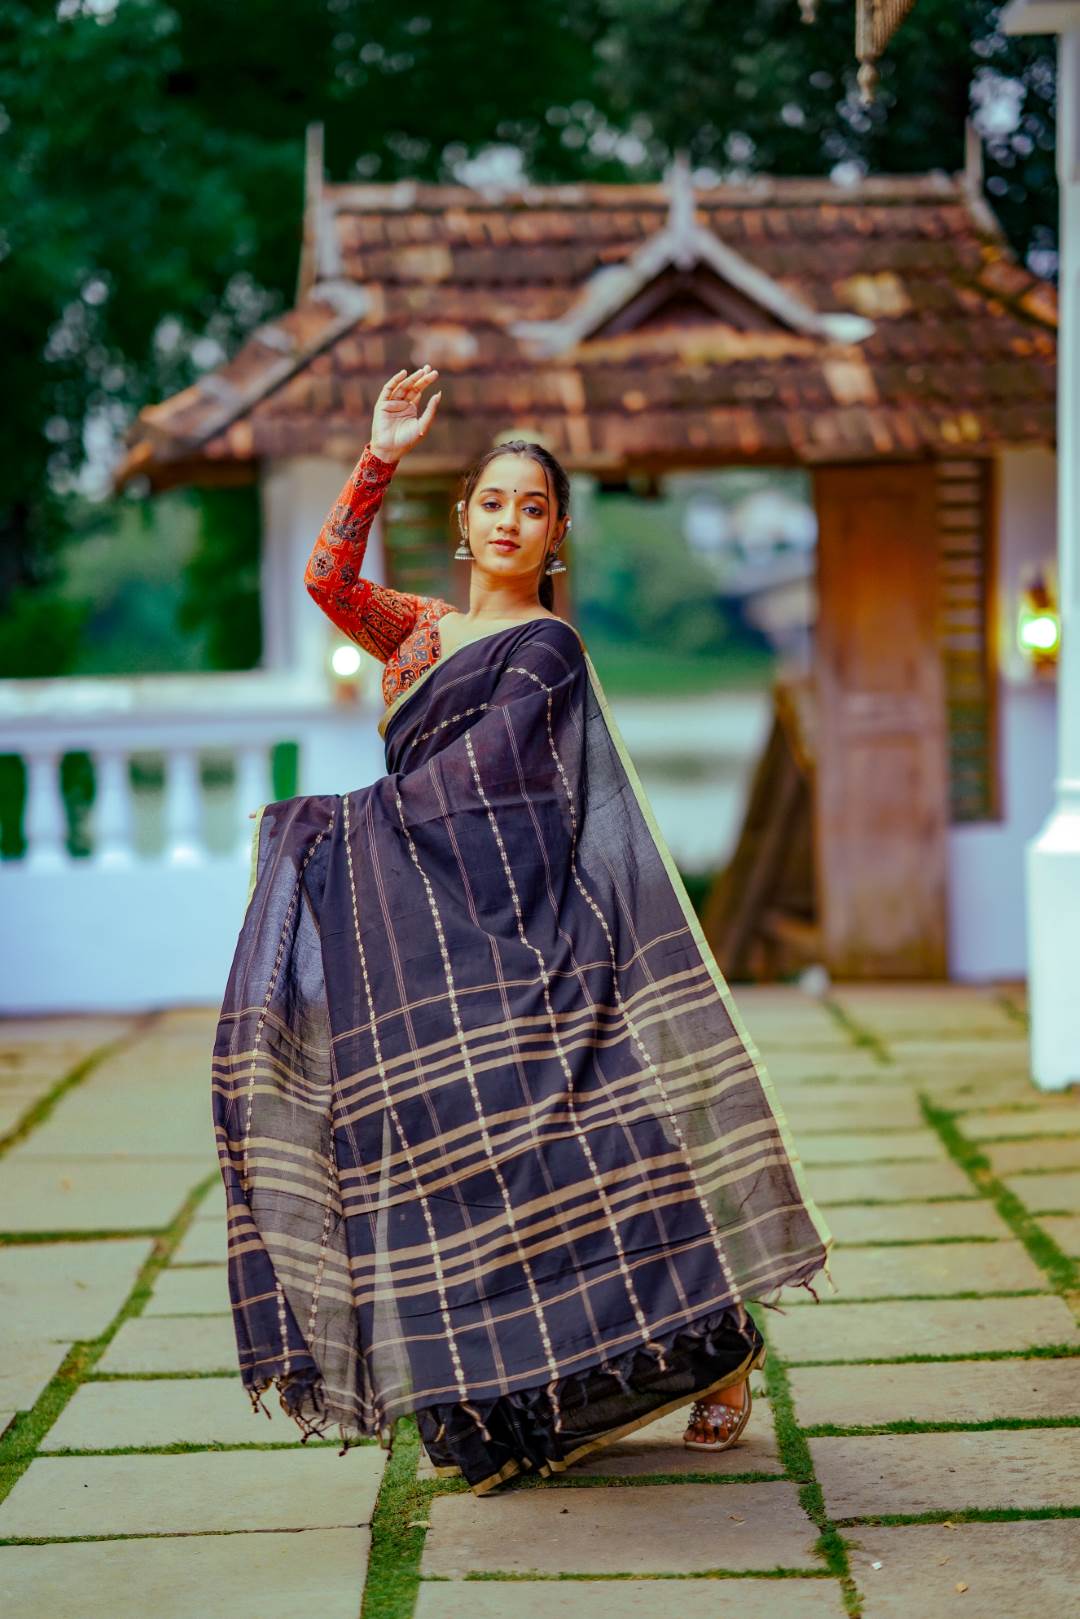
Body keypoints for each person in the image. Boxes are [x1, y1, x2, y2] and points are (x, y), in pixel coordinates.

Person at [213, 364, 834, 1495]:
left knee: (589, 1147)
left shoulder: (544, 649)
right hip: (422, 939)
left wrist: (326, 826)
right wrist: (380, 451)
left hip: (525, 931)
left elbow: (485, 792)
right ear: (463, 523)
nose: (510, 519)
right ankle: (506, 1403)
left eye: (533, 505)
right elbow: (325, 576)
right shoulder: (418, 632)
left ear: (556, 534)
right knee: (461, 1174)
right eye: (493, 500)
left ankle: (719, 1342)